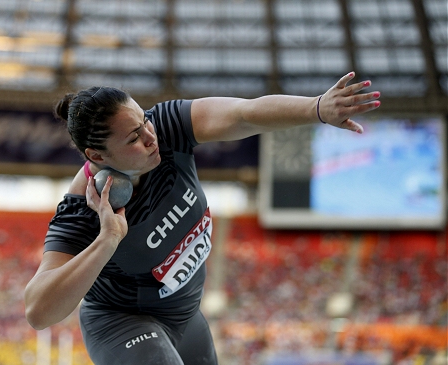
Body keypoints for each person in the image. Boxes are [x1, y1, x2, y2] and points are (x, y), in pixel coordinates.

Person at [24, 72, 380, 365]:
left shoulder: (167, 127)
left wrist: (317, 108)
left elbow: (245, 114)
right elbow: (38, 311)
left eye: (144, 121)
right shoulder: (84, 209)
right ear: (96, 155)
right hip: (122, 324)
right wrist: (106, 241)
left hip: (185, 315)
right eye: (134, 137)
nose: (151, 138)